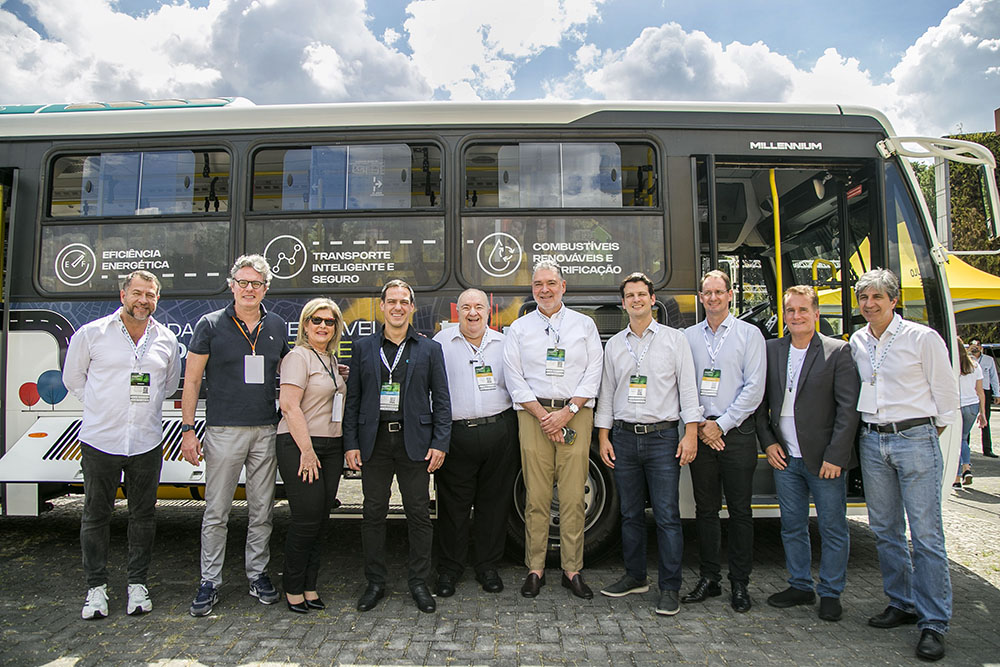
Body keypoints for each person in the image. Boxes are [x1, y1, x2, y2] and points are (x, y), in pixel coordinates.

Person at [850, 268, 958, 662]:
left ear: (894, 300)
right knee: (885, 530)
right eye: (864, 298)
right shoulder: (858, 341)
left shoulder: (922, 338)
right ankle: (901, 603)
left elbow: (946, 400)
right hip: (873, 441)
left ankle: (934, 622)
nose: (869, 304)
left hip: (915, 438)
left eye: (877, 297)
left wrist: (922, 433)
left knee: (926, 535)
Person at [63, 270, 181, 619]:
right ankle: (96, 589)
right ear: (123, 295)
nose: (143, 300)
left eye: (151, 295)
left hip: (145, 441)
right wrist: (102, 406)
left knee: (143, 516)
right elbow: (73, 379)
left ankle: (137, 585)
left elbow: (170, 385)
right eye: (137, 293)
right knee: (96, 514)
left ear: (157, 300)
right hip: (101, 440)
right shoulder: (92, 333)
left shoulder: (167, 339)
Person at [180, 255, 289, 617]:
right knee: (217, 511)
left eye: (256, 283)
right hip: (223, 431)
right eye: (242, 282)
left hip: (265, 430)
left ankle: (257, 574)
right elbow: (192, 381)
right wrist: (188, 430)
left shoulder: (276, 324)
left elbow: (292, 369)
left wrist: (329, 368)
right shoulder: (209, 324)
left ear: (266, 289)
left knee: (262, 510)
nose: (248, 289)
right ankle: (209, 581)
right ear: (232, 286)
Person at [596, 273, 702, 616]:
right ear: (623, 302)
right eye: (630, 295)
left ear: (652, 299)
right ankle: (635, 576)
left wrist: (690, 433)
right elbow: (607, 395)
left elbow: (688, 390)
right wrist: (603, 435)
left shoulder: (675, 340)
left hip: (663, 438)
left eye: (642, 294)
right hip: (624, 438)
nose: (636, 300)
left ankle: (669, 588)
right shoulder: (614, 344)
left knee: (668, 515)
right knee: (629, 514)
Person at [754, 286, 860, 623]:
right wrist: (769, 443)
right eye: (790, 311)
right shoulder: (771, 350)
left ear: (816, 313)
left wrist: (837, 456)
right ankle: (800, 584)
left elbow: (848, 410)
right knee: (792, 526)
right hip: (785, 458)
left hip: (824, 460)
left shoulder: (837, 352)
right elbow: (758, 403)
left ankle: (830, 592)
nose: (796, 317)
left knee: (832, 528)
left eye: (802, 310)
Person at [344, 279, 451, 614]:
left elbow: (443, 401)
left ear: (412, 307)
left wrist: (440, 442)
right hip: (374, 442)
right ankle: (375, 582)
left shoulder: (429, 349)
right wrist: (351, 443)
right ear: (382, 307)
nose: (398, 307)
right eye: (392, 301)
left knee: (419, 514)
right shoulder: (362, 347)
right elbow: (353, 401)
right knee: (373, 513)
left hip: (414, 442)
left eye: (404, 301)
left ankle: (419, 582)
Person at [503, 261, 603, 600]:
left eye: (550, 283)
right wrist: (542, 414)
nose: (544, 290)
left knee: (574, 497)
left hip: (575, 413)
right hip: (533, 416)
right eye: (537, 285)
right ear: (532, 289)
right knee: (537, 496)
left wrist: (568, 411)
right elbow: (513, 377)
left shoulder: (584, 325)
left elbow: (594, 372)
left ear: (563, 286)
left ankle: (572, 570)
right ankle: (535, 568)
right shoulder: (519, 328)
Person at [681, 269, 765, 613]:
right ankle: (709, 578)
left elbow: (754, 388)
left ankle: (740, 584)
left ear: (730, 295)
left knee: (741, 512)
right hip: (701, 433)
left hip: (737, 434)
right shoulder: (687, 337)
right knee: (705, 511)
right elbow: (683, 382)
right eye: (707, 293)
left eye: (719, 292)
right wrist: (701, 424)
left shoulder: (750, 335)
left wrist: (723, 425)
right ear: (701, 298)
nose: (713, 298)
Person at [432, 288, 519, 597]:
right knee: (453, 508)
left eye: (478, 307)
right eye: (466, 307)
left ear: (488, 311)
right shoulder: (440, 343)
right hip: (456, 435)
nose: (472, 313)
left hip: (499, 432)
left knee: (493, 505)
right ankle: (450, 569)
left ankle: (487, 566)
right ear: (458, 311)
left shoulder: (504, 343)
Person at [275, 298, 348, 613]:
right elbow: (289, 406)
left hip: (332, 447)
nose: (322, 326)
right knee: (305, 521)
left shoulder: (330, 360)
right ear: (305, 325)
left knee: (320, 521)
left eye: (329, 322)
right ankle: (292, 588)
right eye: (316, 320)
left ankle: (310, 586)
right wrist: (306, 450)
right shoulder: (297, 357)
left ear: (336, 328)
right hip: (301, 445)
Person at [953, 338, 986, 489]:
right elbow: (980, 391)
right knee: (964, 438)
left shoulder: (952, 365)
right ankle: (966, 467)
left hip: (958, 406)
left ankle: (958, 476)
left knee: (957, 441)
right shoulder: (975, 365)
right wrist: (983, 413)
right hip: (972, 406)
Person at [966, 339, 998, 457]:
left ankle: (987, 448)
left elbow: (994, 377)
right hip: (970, 390)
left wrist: (997, 393)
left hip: (984, 390)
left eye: (978, 345)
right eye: (973, 345)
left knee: (985, 419)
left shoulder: (988, 360)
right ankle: (966, 446)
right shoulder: (965, 360)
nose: (976, 348)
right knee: (967, 419)